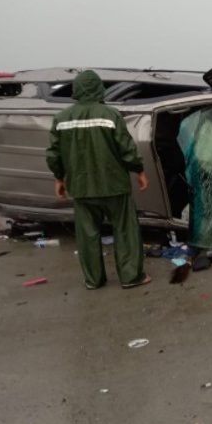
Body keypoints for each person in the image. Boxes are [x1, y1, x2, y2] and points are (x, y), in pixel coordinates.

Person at [46, 70, 151, 290]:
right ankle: (131, 277)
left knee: (87, 235)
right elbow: (127, 149)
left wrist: (59, 178)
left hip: (81, 188)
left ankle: (93, 280)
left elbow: (54, 154)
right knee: (124, 231)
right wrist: (139, 171)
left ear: (76, 90)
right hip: (114, 185)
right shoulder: (110, 115)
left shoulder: (61, 119)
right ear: (98, 88)